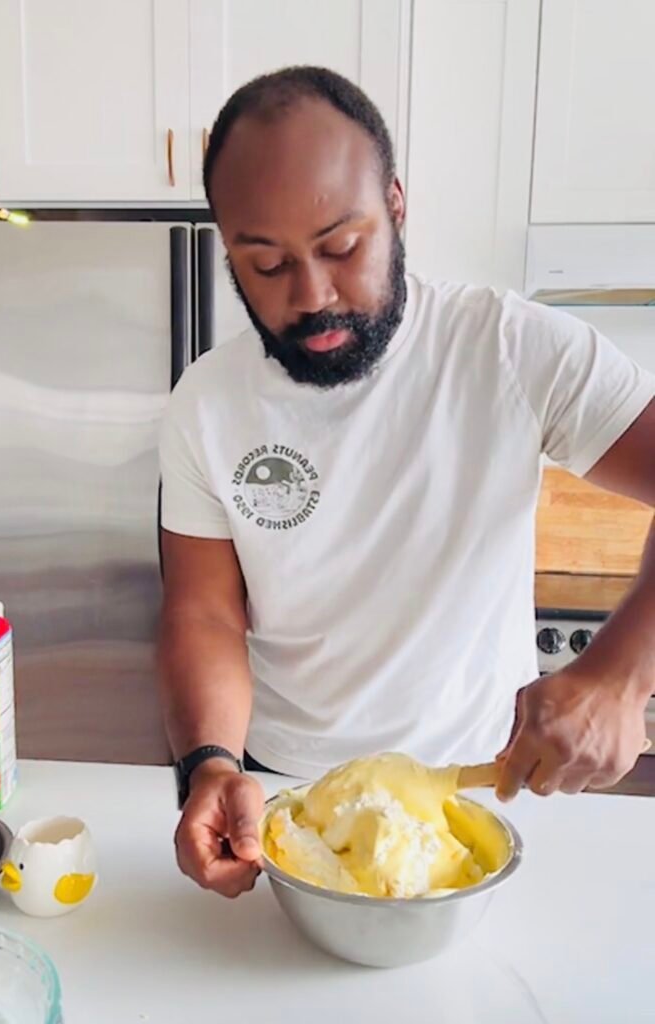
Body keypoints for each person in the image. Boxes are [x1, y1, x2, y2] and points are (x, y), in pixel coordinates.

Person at [157, 67, 655, 898]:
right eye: (266, 263)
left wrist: (622, 673)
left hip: (478, 790)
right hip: (287, 802)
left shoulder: (510, 349)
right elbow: (205, 611)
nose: (311, 296)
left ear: (395, 204)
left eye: (341, 248)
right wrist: (210, 764)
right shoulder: (205, 405)